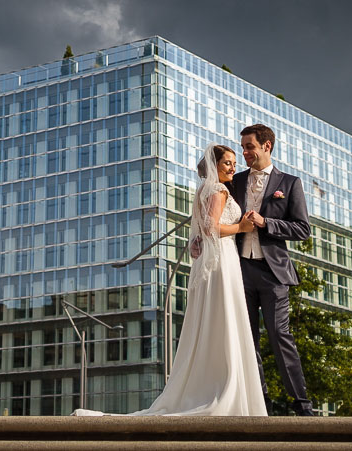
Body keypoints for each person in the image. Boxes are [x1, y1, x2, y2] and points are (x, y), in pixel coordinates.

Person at [72, 144, 266, 416]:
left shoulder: (202, 191)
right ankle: (224, 388)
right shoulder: (219, 191)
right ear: (214, 165)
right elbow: (211, 227)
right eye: (227, 163)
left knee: (214, 321)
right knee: (225, 319)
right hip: (222, 261)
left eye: (233, 163)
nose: (232, 168)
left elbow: (199, 234)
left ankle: (208, 383)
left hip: (213, 261)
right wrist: (241, 227)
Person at [233, 123, 314, 416]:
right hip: (239, 270)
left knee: (280, 336)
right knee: (246, 339)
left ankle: (302, 404)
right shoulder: (236, 181)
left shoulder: (290, 183)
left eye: (249, 147)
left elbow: (303, 229)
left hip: (273, 274)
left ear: (266, 146)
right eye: (242, 147)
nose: (245, 153)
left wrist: (267, 222)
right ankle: (261, 402)